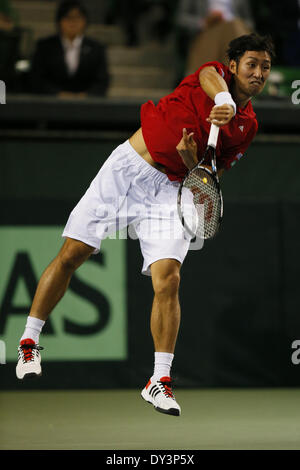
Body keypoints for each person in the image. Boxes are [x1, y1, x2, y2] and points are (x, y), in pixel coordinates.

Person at [16, 33, 274, 416]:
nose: (258, 73)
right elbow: (210, 79)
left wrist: (190, 161)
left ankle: (159, 380)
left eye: (265, 67)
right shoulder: (211, 76)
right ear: (233, 66)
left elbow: (206, 181)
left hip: (172, 190)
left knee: (169, 278)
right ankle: (28, 343)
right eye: (251, 64)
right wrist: (223, 101)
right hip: (128, 171)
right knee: (74, 253)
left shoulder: (247, 127)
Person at [30, 0, 109, 97]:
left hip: (87, 105)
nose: (73, 22)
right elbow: (37, 79)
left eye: (77, 17)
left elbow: (102, 80)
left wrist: (86, 96)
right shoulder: (45, 46)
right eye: (68, 17)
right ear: (60, 21)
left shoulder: (96, 48)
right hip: (51, 103)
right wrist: (58, 94)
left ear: (85, 20)